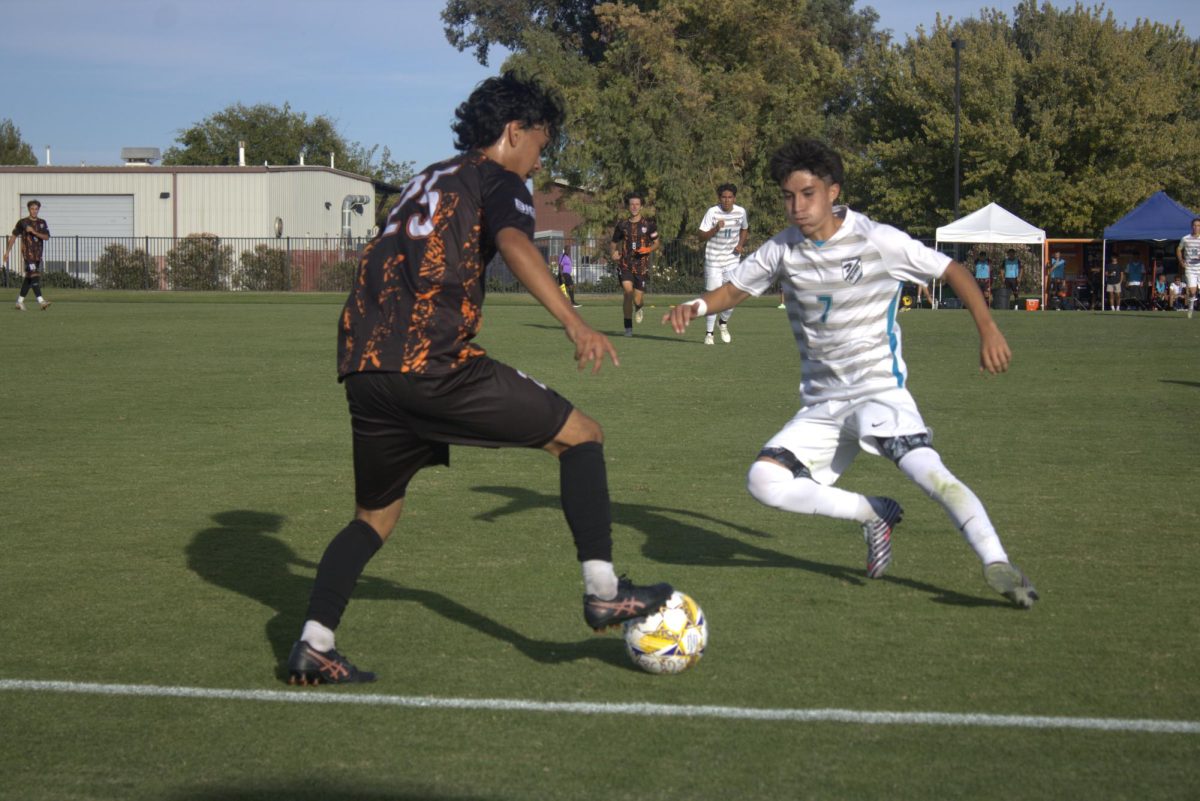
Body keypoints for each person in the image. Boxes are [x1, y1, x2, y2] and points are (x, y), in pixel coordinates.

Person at [286, 72, 673, 685]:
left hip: (364, 368)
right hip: (432, 365)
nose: (539, 164)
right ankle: (603, 591)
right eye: (540, 147)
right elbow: (515, 242)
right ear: (513, 132)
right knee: (582, 436)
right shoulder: (502, 179)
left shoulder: (425, 178)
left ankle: (314, 642)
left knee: (373, 518)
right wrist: (575, 323)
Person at [663, 137, 1037, 609]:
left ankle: (996, 562)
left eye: (807, 194)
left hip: (877, 392)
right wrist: (695, 306)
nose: (796, 206)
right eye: (788, 196)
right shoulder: (782, 249)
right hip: (822, 404)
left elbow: (952, 271)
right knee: (764, 481)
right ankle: (872, 512)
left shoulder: (878, 240)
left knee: (928, 473)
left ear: (833, 192)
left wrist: (987, 328)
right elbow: (735, 291)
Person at [697, 183, 748, 344]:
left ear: (734, 198)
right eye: (724, 197)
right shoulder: (712, 212)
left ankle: (723, 323)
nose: (727, 200)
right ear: (719, 198)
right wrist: (714, 229)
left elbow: (744, 229)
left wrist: (740, 244)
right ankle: (709, 334)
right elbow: (700, 236)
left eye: (730, 197)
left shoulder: (741, 212)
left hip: (732, 259)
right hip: (713, 260)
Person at [610, 192, 659, 336]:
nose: (634, 207)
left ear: (641, 206)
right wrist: (613, 253)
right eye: (631, 204)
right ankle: (628, 328)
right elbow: (613, 243)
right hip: (625, 264)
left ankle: (639, 307)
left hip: (641, 266)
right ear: (628, 206)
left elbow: (657, 243)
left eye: (637, 204)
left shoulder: (649, 225)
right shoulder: (622, 225)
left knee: (637, 298)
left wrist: (648, 249)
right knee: (627, 293)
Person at [5, 200, 52, 311]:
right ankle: (41, 301)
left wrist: (34, 232)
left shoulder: (42, 222)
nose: (34, 211)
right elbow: (13, 237)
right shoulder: (23, 222)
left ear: (38, 210)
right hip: (28, 254)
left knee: (29, 278)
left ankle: (19, 302)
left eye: (36, 209)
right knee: (34, 275)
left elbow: (46, 237)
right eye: (32, 209)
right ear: (29, 209)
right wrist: (7, 252)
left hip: (38, 254)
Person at [1176, 218, 1200, 318]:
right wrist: (1181, 261)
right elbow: (1179, 249)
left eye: (1198, 225)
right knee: (1192, 291)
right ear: (1191, 226)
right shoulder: (1185, 238)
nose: (1196, 227)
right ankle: (1190, 307)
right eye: (1194, 225)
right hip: (1190, 268)